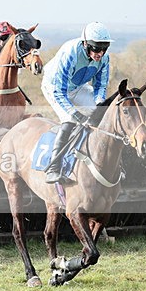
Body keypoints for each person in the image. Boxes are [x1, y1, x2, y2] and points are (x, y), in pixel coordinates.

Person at [40, 21, 113, 184]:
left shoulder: (104, 58)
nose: (99, 53)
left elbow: (100, 85)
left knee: (104, 115)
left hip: (77, 88)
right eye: (95, 48)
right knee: (70, 120)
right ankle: (53, 168)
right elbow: (59, 92)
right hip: (55, 88)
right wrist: (75, 114)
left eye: (104, 48)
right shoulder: (71, 52)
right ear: (85, 44)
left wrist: (100, 103)